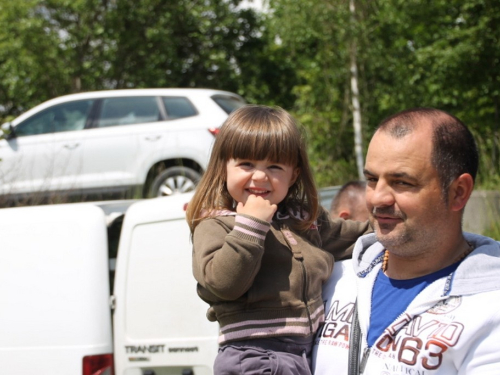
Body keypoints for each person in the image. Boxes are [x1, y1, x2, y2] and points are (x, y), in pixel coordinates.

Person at [313, 107, 500, 374]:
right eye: (372, 179)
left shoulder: (491, 306)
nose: (378, 198)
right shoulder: (330, 277)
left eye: (402, 183)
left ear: (459, 192)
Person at [186, 105, 370, 375]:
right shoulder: (216, 223)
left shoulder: (303, 220)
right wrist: (251, 225)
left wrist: (400, 227)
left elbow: (356, 234)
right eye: (246, 164)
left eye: (274, 166)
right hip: (253, 357)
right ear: (224, 166)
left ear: (293, 174)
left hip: (304, 353)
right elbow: (224, 284)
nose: (259, 176)